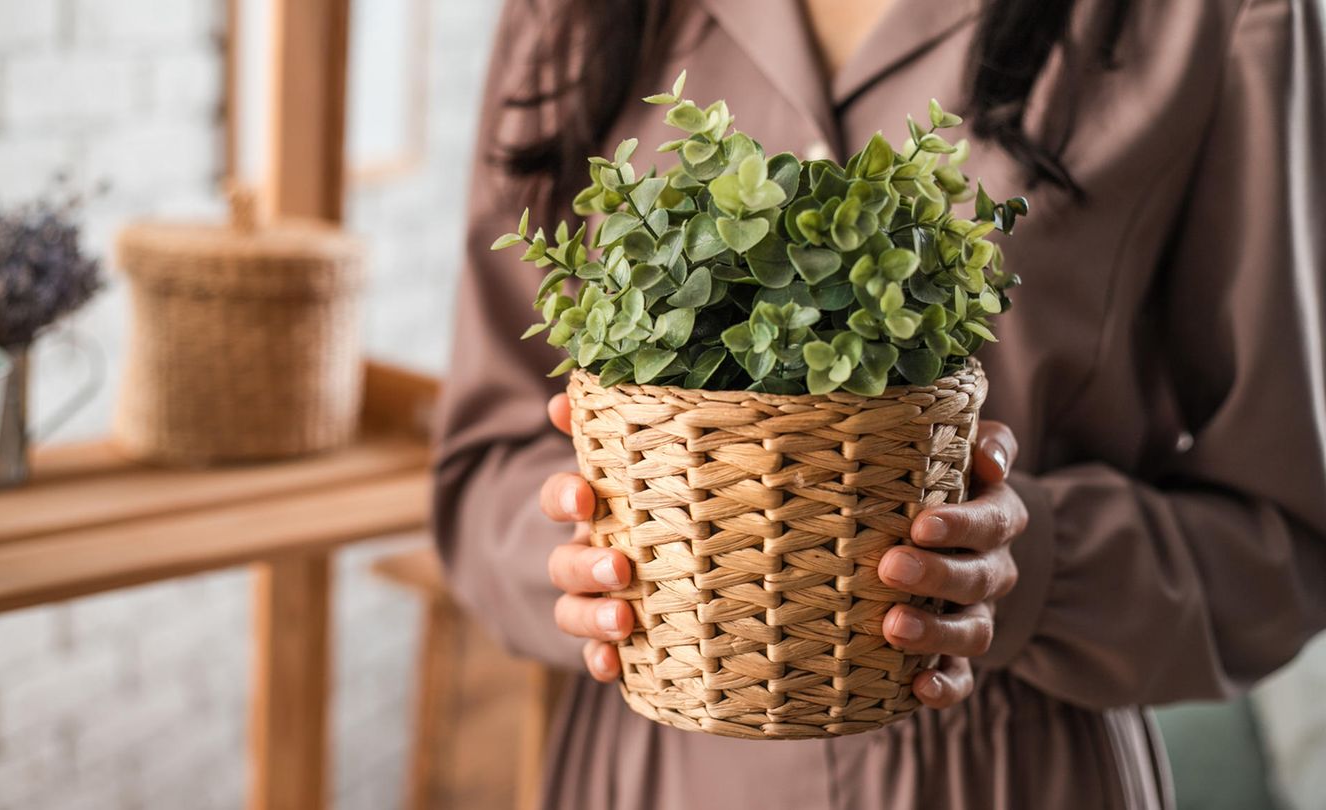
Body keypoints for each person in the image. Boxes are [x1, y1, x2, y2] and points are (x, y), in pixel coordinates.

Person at [433, 0, 1326, 807]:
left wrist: (1033, 567)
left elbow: (1283, 548)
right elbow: (485, 467)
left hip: (1011, 776)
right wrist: (591, 554)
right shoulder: (576, 14)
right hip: (660, 772)